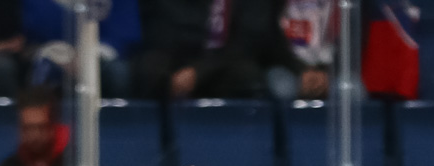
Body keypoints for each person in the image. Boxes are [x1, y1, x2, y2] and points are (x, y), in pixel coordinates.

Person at [132, 0, 307, 102]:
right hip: (180, 56)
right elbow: (162, 31)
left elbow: (250, 39)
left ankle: (236, 153)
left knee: (247, 76)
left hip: (226, 63)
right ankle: (155, 153)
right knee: (149, 70)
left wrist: (198, 72)